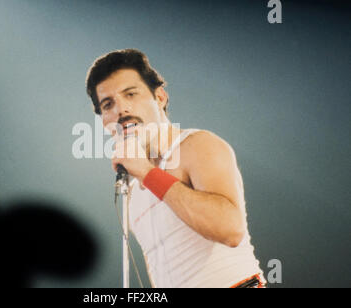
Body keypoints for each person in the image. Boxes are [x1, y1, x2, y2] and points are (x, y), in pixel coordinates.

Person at [85, 49, 266, 288]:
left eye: (131, 94)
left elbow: (230, 230)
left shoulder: (197, 145)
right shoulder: (132, 184)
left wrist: (148, 173)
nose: (121, 110)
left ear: (160, 97)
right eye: (108, 104)